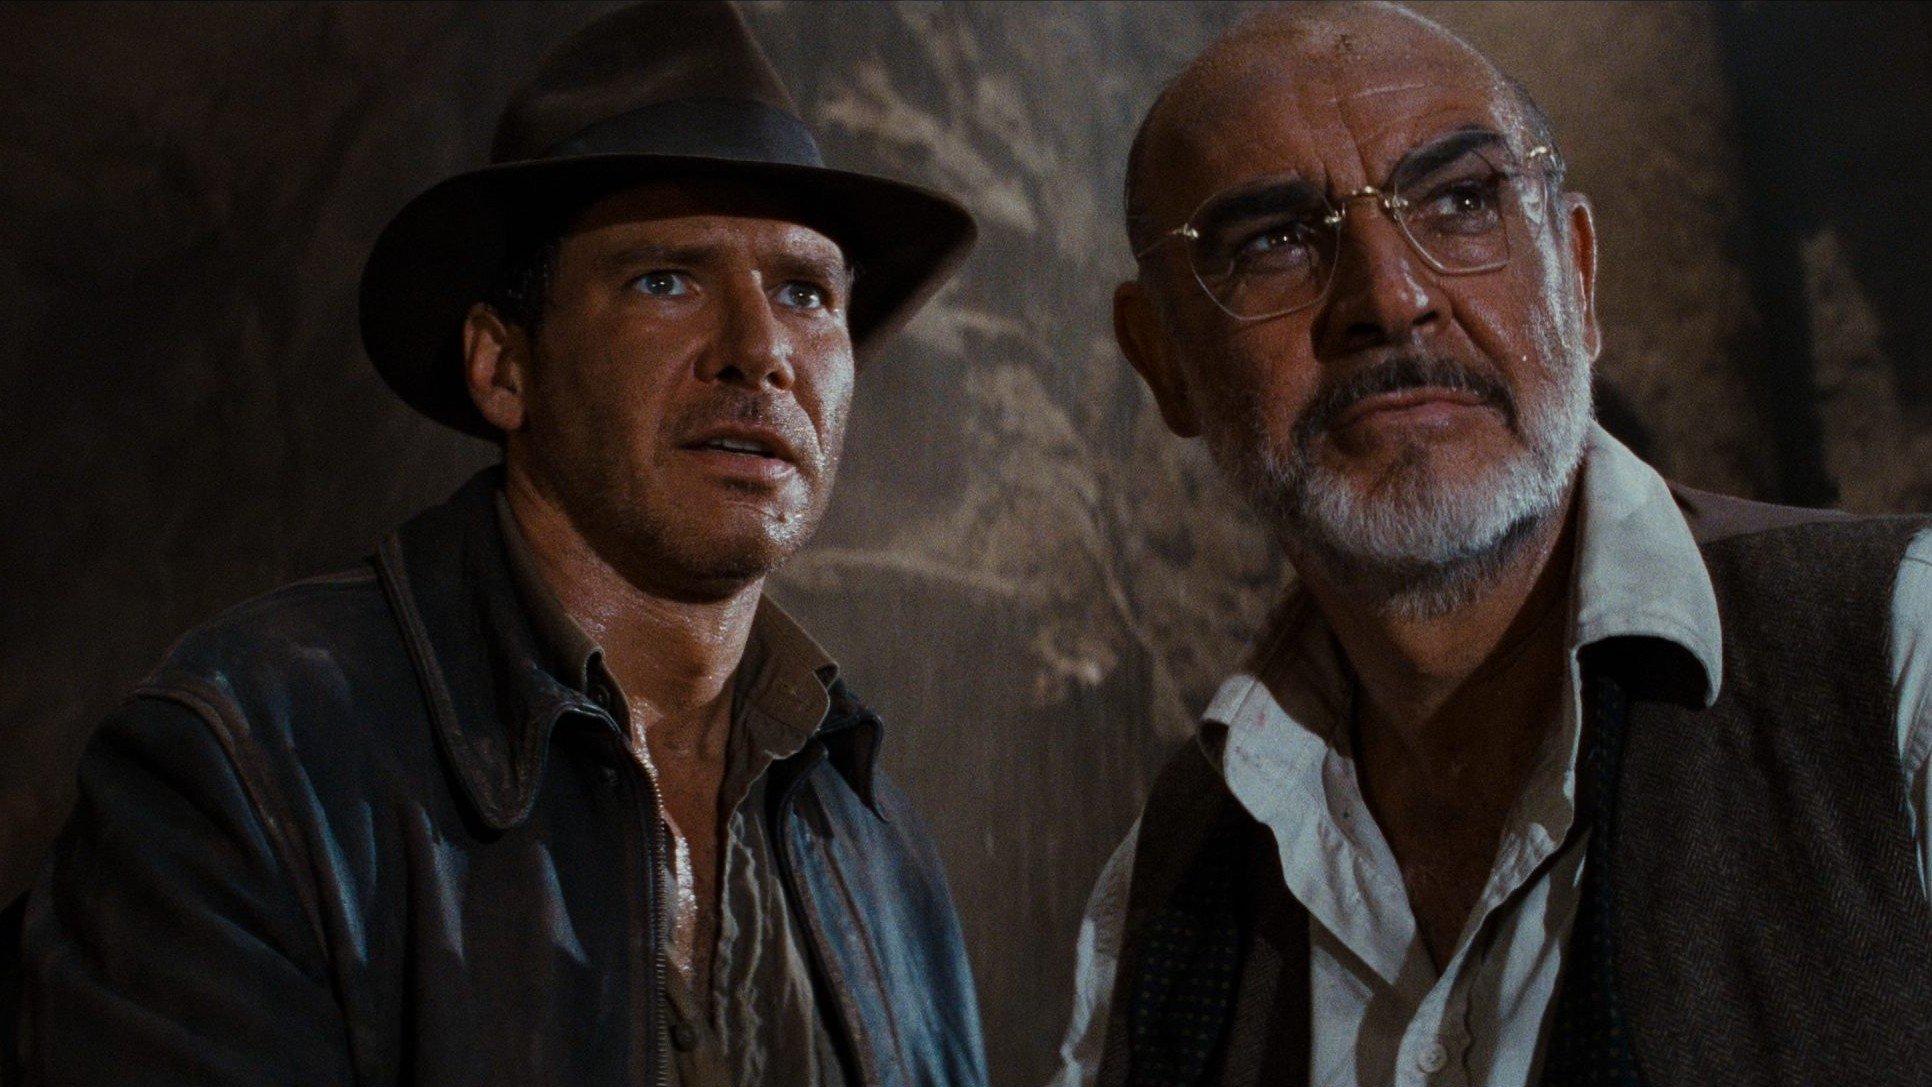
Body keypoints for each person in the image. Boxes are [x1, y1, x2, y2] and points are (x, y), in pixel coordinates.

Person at [18, 3, 987, 1085]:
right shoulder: (250, 764)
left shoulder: (877, 850)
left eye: (805, 291)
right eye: (665, 279)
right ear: (503, 366)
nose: (759, 349)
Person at [1054, 3, 1932, 1086]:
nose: (1391, 297)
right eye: (1275, 241)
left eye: (1462, 201)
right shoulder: (1166, 898)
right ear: (1165, 361)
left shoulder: (1900, 665)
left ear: (1577, 274)